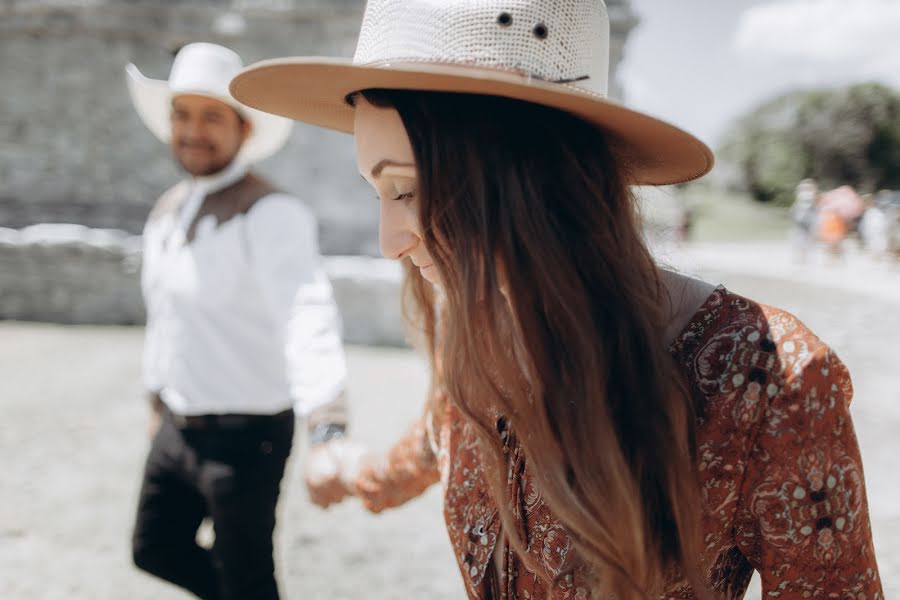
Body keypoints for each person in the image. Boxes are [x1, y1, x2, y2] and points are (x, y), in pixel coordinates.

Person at [231, 1, 884, 598]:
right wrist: (341, 461)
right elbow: (417, 456)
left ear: (535, 180)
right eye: (378, 194)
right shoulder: (481, 332)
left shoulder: (771, 375)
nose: (388, 243)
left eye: (406, 191)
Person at [126, 43, 351, 600]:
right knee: (152, 547)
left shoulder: (274, 214)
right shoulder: (168, 210)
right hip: (177, 428)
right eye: (182, 114)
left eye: (211, 116)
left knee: (248, 576)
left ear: (243, 129)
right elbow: (165, 318)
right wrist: (156, 400)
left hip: (248, 439)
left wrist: (328, 424)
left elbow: (307, 314)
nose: (193, 131)